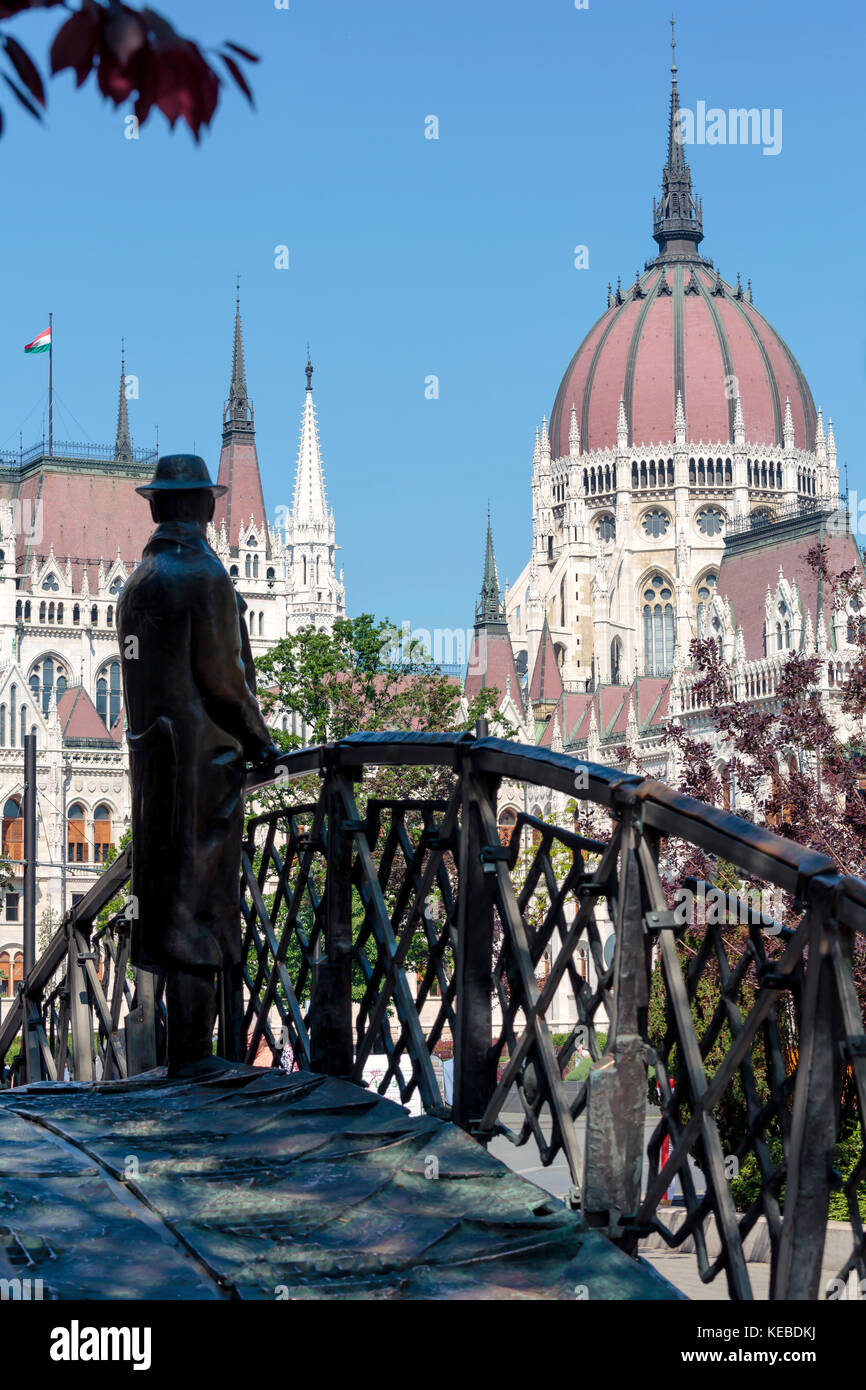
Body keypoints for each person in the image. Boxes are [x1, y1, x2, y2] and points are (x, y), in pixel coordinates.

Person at [117, 454, 279, 1078]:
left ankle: (180, 1060)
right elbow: (224, 681)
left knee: (169, 910)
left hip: (156, 772)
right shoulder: (203, 576)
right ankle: (196, 1064)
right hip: (205, 769)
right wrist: (263, 742)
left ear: (157, 507)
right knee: (201, 917)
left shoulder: (140, 581)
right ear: (205, 507)